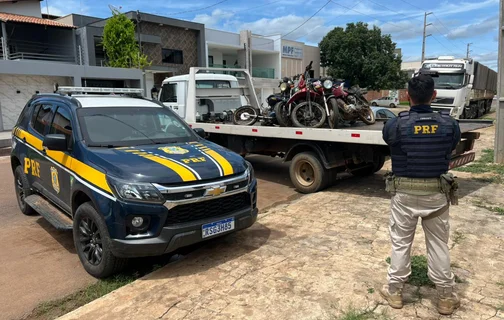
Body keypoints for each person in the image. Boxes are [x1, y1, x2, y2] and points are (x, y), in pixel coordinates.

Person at [379, 74, 462, 315]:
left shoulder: (395, 124)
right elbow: (452, 146)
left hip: (403, 194)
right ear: (434, 95)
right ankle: (445, 297)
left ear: (407, 96)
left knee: (401, 243)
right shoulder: (449, 124)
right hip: (436, 194)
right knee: (438, 244)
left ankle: (394, 292)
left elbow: (389, 141)